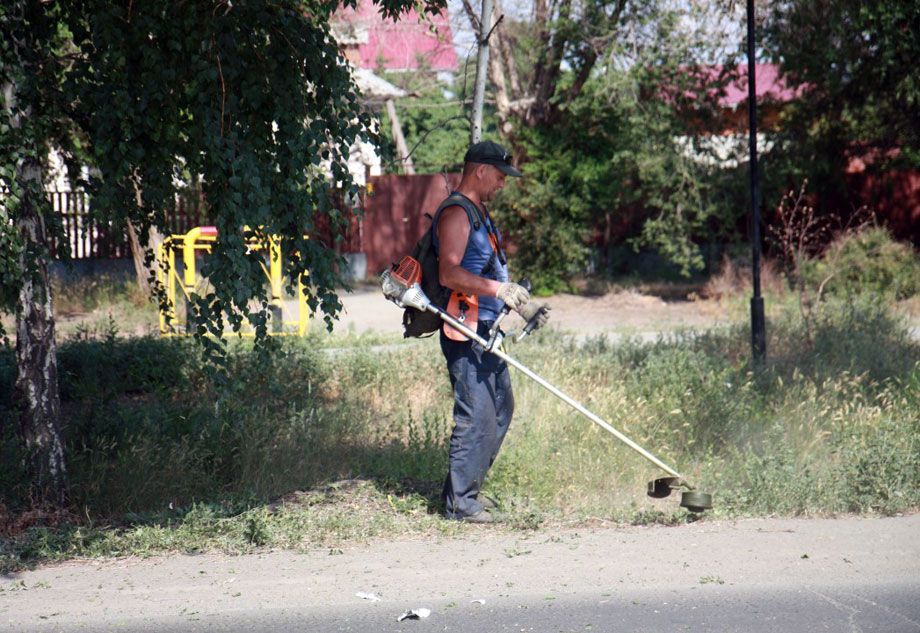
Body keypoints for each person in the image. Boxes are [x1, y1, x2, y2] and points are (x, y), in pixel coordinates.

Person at [433, 140, 549, 523]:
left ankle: (464, 493)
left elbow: (490, 271)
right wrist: (499, 290)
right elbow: (449, 273)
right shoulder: (456, 213)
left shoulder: (480, 212)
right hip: (463, 330)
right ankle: (461, 506)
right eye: (499, 177)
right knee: (477, 414)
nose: (502, 185)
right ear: (480, 170)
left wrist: (520, 303)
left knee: (501, 409)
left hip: (488, 328)